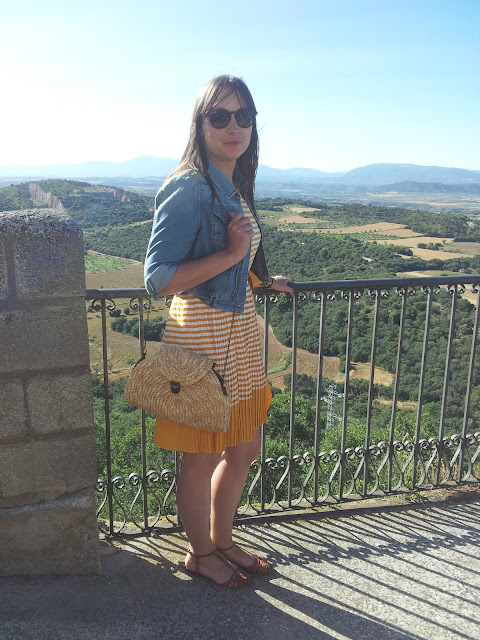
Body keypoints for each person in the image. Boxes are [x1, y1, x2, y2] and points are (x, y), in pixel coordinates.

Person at [144, 75, 293, 588]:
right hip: (203, 343)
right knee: (202, 456)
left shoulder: (231, 183)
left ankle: (223, 540)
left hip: (239, 339)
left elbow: (238, 254)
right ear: (200, 123)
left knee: (244, 448)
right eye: (220, 116)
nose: (234, 126)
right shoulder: (189, 185)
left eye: (243, 116)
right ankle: (201, 553)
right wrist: (230, 255)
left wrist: (257, 276)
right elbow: (158, 279)